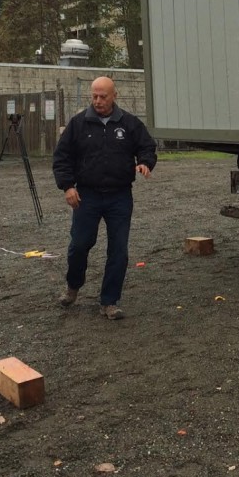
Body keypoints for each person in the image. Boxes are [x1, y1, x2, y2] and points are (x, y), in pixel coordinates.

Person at [52, 75, 157, 320]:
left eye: (103, 97)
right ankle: (73, 286)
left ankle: (110, 301)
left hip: (119, 196)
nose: (98, 101)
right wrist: (68, 187)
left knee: (118, 250)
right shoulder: (78, 124)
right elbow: (62, 158)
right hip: (86, 196)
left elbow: (147, 147)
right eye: (94, 96)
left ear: (114, 96)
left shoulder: (129, 123)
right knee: (79, 245)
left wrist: (144, 163)